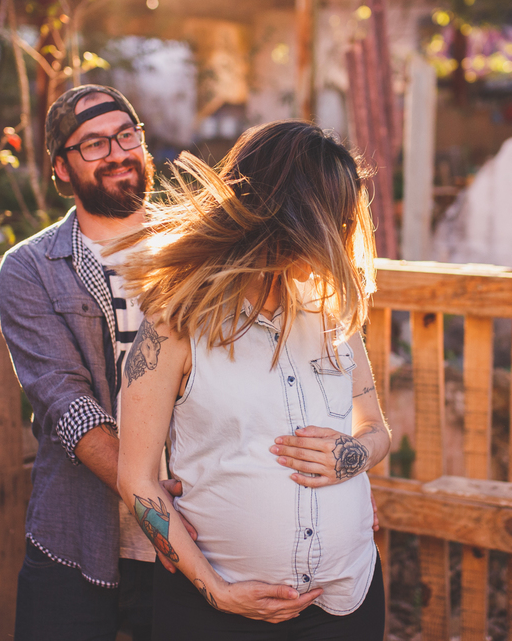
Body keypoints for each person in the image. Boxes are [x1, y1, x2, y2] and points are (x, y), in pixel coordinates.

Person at [114, 120, 391, 640]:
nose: (347, 236)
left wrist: (350, 455)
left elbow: (376, 429)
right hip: (216, 616)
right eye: (337, 220)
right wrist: (215, 590)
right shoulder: (175, 323)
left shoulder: (333, 310)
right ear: (293, 217)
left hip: (347, 603)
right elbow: (138, 480)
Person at [0, 84, 173, 641]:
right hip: (77, 535)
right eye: (94, 144)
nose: (118, 153)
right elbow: (66, 406)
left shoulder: (196, 248)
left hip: (202, 535)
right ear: (62, 170)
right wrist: (155, 502)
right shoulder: (31, 269)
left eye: (127, 136)